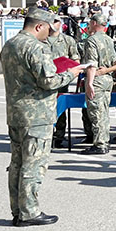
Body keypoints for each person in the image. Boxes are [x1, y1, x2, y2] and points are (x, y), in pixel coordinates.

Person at [0, 7, 84, 226]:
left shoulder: (10, 45)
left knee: (17, 163)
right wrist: (71, 74)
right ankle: (29, 212)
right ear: (39, 26)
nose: (51, 32)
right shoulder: (36, 48)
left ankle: (17, 210)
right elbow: (48, 81)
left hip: (16, 113)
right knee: (33, 164)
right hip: (37, 115)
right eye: (49, 27)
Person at [81, 14, 116, 155]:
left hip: (97, 79)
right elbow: (115, 59)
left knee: (96, 113)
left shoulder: (92, 40)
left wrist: (89, 83)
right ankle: (104, 141)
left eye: (90, 22)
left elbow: (91, 63)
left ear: (94, 23)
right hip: (107, 79)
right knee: (103, 112)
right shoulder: (109, 39)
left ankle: (100, 144)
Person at [48, 17, 81, 148]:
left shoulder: (67, 40)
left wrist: (69, 74)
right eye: (51, 21)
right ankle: (46, 135)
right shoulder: (40, 40)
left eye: (56, 21)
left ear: (60, 23)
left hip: (61, 81)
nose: (53, 24)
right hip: (44, 81)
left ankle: (59, 135)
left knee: (60, 109)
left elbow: (75, 61)